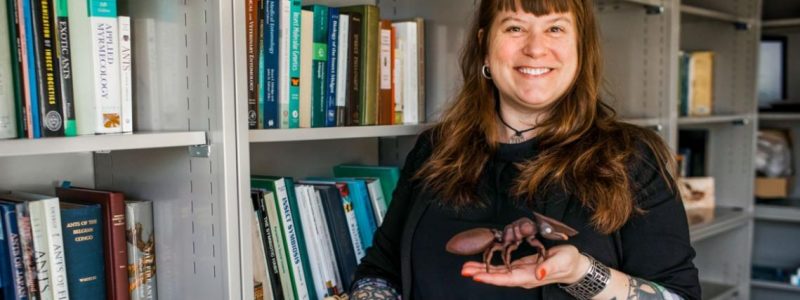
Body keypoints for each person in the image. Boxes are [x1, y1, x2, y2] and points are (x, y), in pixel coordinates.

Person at [349, 0, 701, 299]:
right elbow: (380, 271)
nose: (535, 48)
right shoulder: (435, 150)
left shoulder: (631, 157)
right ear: (485, 44)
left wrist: (581, 273)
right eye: (515, 28)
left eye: (555, 29)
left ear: (581, 47)